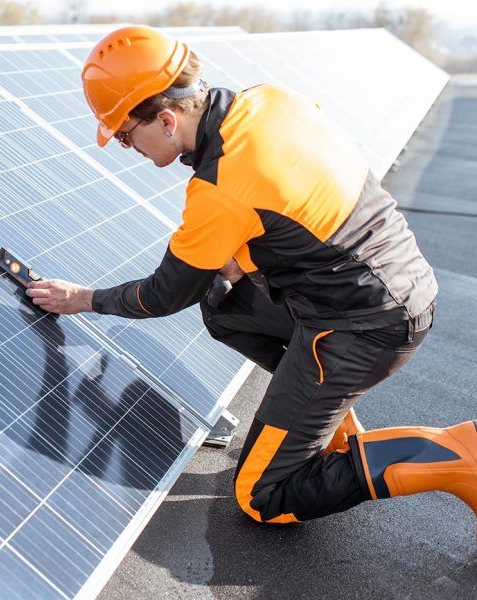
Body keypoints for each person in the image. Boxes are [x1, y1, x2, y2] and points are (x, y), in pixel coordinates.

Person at [25, 25, 477, 529]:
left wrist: (82, 298)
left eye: (127, 135)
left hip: (364, 326)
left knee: (263, 496)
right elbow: (304, 191)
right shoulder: (268, 100)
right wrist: (250, 255)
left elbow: (164, 294)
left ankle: (454, 455)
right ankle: (325, 421)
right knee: (224, 306)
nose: (127, 146)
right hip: (397, 282)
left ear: (168, 119)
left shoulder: (220, 186)